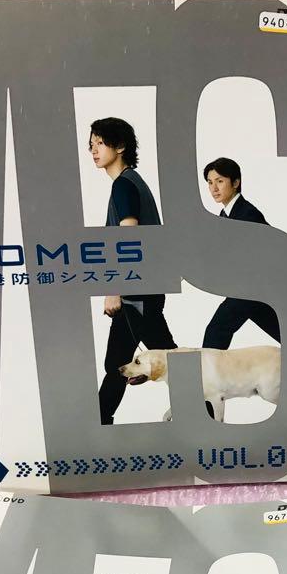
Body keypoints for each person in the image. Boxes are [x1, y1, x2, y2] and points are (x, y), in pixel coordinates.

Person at [90, 117, 178, 424]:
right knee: (119, 363)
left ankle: (204, 413)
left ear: (120, 146)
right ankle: (100, 425)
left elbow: (129, 240)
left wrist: (114, 289)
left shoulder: (124, 185)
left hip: (136, 292)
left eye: (100, 143)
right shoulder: (131, 182)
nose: (93, 150)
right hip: (142, 290)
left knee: (168, 359)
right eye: (91, 144)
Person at [201, 158, 281, 349]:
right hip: (253, 291)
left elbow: (265, 253)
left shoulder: (247, 214)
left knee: (217, 330)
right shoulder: (226, 215)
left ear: (236, 182)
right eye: (210, 183)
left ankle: (206, 372)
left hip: (254, 288)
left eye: (220, 181)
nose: (214, 188)